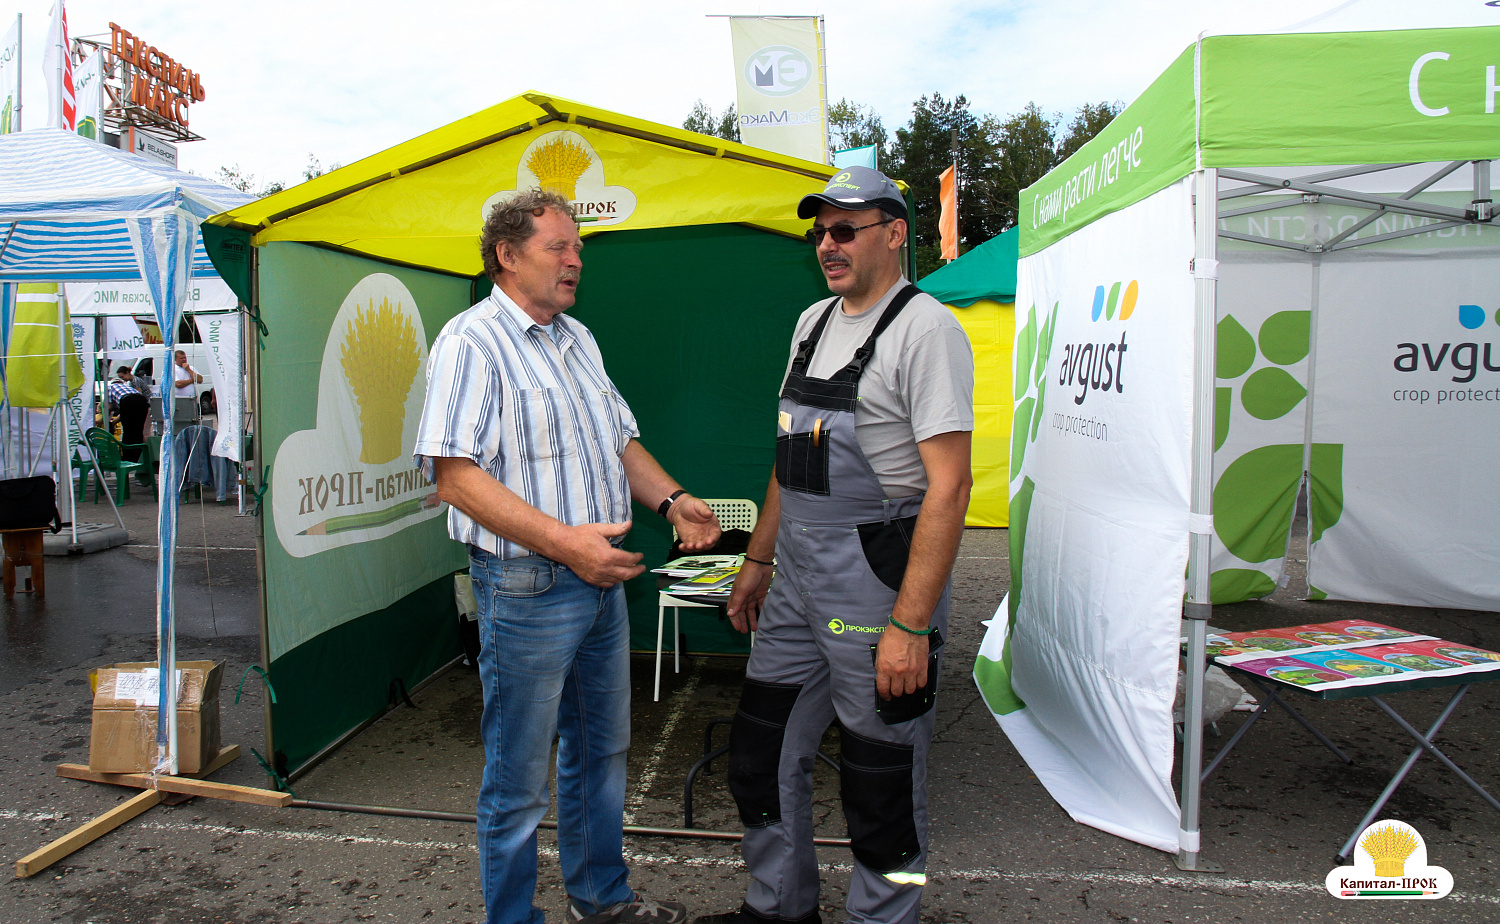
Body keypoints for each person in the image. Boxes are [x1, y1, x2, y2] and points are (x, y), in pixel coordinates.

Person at [413, 188, 720, 924]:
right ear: (507, 255)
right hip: (527, 586)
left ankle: (602, 899)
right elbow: (453, 476)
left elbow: (619, 442)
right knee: (517, 779)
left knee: (602, 755)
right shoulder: (470, 342)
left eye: (578, 247)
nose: (576, 260)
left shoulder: (579, 339)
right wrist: (565, 546)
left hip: (599, 581)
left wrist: (673, 501)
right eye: (559, 247)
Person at [694, 167, 974, 924]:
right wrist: (759, 560)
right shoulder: (811, 323)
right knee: (760, 755)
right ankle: (779, 907)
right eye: (819, 230)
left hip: (877, 580)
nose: (827, 243)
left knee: (880, 780)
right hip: (796, 580)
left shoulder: (927, 330)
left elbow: (949, 489)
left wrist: (911, 625)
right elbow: (794, 455)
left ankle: (884, 919)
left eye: (845, 229)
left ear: (893, 233)